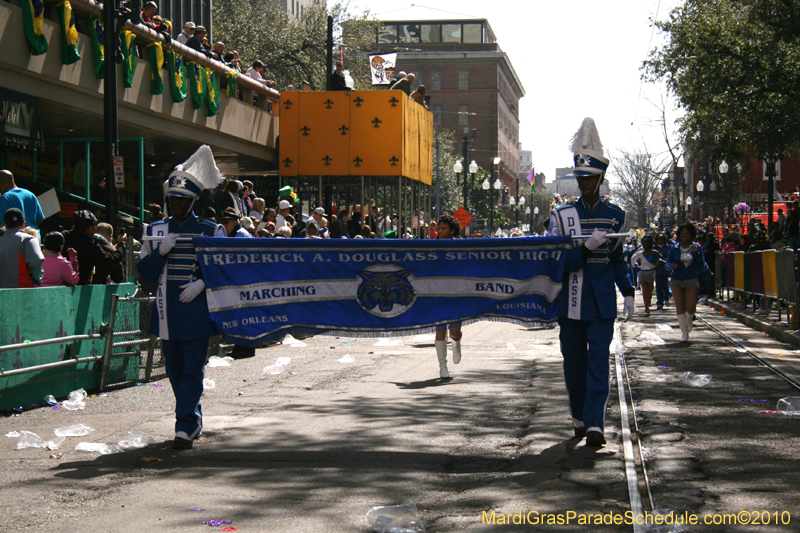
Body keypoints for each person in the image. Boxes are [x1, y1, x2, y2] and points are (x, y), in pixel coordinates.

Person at [548, 118, 635, 447]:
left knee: (599, 358)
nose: (584, 183)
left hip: (600, 299)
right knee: (574, 361)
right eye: (580, 178)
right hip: (570, 300)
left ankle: (596, 422)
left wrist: (627, 290)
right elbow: (553, 262)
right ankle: (580, 417)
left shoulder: (617, 215)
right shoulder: (562, 216)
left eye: (590, 178)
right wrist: (584, 248)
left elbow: (617, 260)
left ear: (600, 177)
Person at [137, 145, 226, 449]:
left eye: (182, 200)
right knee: (175, 373)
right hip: (166, 314)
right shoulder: (156, 229)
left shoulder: (211, 230)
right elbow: (145, 275)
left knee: (192, 370)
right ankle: (192, 416)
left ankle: (184, 425)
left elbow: (223, 271)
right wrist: (160, 253)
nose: (176, 204)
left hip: (197, 312)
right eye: (172, 199)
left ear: (193, 201)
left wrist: (201, 283)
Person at [665, 223, 708, 342]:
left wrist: (697, 252)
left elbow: (701, 264)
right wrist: (670, 267)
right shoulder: (674, 248)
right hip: (676, 280)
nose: (684, 236)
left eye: (687, 233)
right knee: (679, 306)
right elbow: (667, 264)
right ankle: (684, 332)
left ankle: (689, 321)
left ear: (691, 235)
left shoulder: (697, 247)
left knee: (690, 307)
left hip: (691, 280)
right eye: (682, 234)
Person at [62, 210, 128, 285]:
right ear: (89, 227)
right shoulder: (89, 245)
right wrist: (122, 245)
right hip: (82, 286)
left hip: (60, 283)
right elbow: (109, 260)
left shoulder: (64, 237)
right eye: (95, 225)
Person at [434, 215, 463, 379]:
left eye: (443, 228)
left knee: (454, 330)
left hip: (455, 292)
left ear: (452, 230)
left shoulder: (460, 246)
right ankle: (442, 366)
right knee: (440, 328)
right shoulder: (433, 246)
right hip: (438, 291)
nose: (440, 232)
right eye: (439, 228)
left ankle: (457, 342)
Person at [0, 208, 44, 288]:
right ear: (24, 224)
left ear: (5, 225)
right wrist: (38, 279)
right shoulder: (28, 239)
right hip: (22, 292)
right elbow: (36, 261)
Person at [0, 170, 45, 240]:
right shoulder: (30, 194)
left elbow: (2, 224)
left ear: (1, 183)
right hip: (35, 238)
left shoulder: (5, 198)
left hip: (18, 242)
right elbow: (40, 220)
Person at [631, 236, 663, 317]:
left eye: (646, 243)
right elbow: (633, 258)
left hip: (651, 272)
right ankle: (646, 308)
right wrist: (636, 266)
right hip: (643, 273)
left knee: (650, 289)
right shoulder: (640, 253)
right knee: (645, 290)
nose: (644, 245)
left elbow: (662, 259)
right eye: (643, 243)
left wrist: (657, 265)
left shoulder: (654, 252)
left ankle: (648, 301)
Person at [653, 233, 672, 310]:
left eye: (662, 239)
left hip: (666, 270)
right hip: (657, 270)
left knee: (666, 285)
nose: (660, 240)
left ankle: (666, 298)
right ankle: (660, 302)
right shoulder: (654, 248)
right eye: (659, 239)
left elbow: (670, 258)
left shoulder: (668, 247)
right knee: (658, 287)